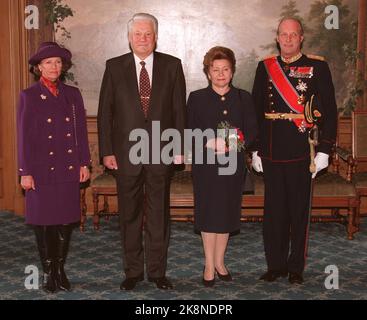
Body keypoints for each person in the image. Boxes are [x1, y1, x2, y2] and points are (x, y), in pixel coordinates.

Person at [98, 13, 186, 290]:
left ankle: (158, 272)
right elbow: (105, 114)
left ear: (155, 36)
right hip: (125, 154)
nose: (143, 39)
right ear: (129, 37)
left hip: (162, 152)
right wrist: (107, 151)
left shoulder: (172, 66)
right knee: (129, 215)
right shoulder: (114, 67)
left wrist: (178, 147)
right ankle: (133, 272)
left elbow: (178, 111)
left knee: (159, 214)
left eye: (148, 34)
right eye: (138, 34)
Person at [251, 18, 337, 284]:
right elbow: (255, 111)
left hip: (303, 151)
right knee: (273, 213)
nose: (288, 40)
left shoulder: (318, 67)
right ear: (277, 37)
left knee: (299, 212)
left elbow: (330, 113)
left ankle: (295, 267)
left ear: (301, 38)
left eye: (293, 35)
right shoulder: (265, 68)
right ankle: (274, 265)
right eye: (283, 35)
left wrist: (325, 150)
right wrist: (255, 149)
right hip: (272, 151)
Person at [17, 42, 91, 293]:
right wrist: (24, 171)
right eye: (48, 62)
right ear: (39, 68)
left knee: (64, 221)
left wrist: (84, 162)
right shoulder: (29, 95)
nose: (54, 67)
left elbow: (80, 131)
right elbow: (24, 137)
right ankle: (49, 272)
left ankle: (60, 269)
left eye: (58, 62)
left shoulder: (73, 94)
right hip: (40, 169)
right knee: (44, 222)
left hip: (67, 167)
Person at [188, 46, 257, 287]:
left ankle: (220, 262)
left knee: (226, 213)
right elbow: (189, 131)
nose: (220, 74)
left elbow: (252, 131)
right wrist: (207, 141)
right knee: (208, 214)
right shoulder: (196, 98)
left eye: (225, 69)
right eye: (215, 69)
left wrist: (230, 142)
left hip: (232, 164)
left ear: (232, 71)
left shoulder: (243, 97)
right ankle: (208, 264)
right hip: (206, 165)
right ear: (208, 72)